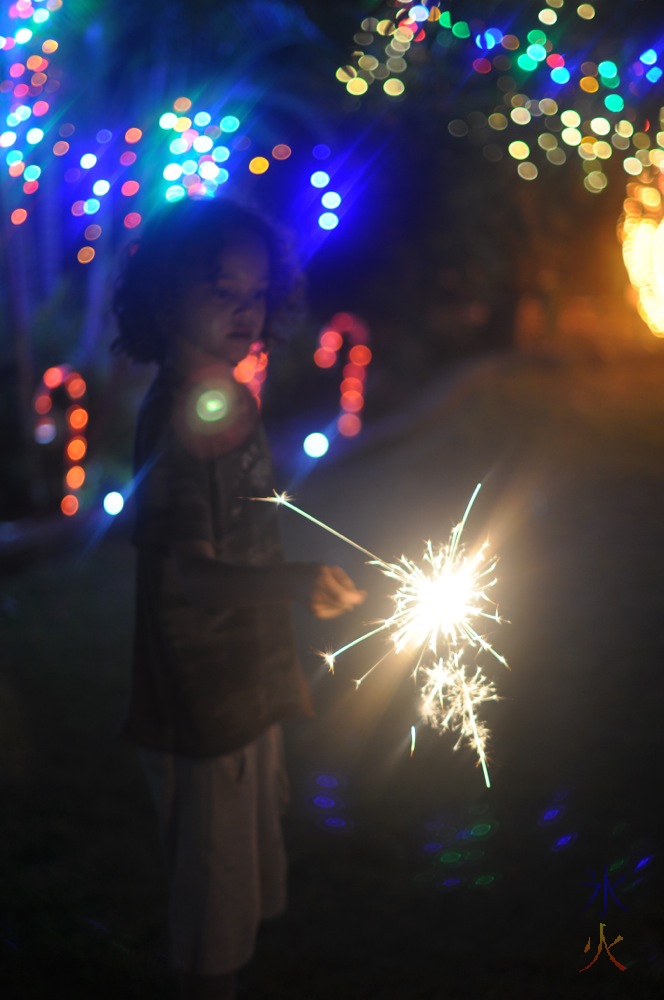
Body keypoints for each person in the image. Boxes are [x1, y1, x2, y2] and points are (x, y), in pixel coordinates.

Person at [111, 198, 365, 1000]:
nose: (241, 310)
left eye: (254, 293)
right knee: (212, 928)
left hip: (246, 692)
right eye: (218, 290)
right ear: (162, 297)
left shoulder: (227, 399)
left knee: (240, 899)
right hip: (203, 710)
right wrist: (293, 585)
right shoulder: (185, 419)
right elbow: (189, 575)